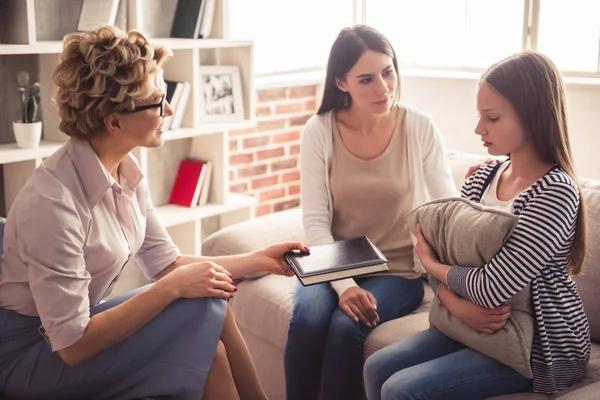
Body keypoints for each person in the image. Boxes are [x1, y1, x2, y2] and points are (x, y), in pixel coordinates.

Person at [0, 26, 308, 400]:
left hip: (71, 329)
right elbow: (73, 344)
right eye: (158, 102)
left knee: (208, 312)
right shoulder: (52, 203)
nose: (170, 110)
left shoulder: (125, 170)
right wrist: (171, 289)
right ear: (115, 122)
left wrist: (257, 259)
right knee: (202, 302)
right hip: (31, 356)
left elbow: (167, 262)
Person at [363, 51, 592, 400]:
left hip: (540, 346)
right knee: (375, 366)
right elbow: (445, 250)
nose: (478, 129)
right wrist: (455, 304)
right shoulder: (483, 177)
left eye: (493, 117)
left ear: (532, 117)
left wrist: (431, 265)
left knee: (400, 389)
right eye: (479, 115)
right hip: (470, 324)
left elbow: (491, 288)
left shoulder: (555, 192)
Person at [284, 24, 458, 400]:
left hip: (396, 268)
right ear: (341, 83)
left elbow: (447, 207)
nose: (383, 87)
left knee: (347, 328)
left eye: (388, 72)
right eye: (366, 79)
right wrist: (344, 285)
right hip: (333, 259)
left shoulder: (419, 127)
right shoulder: (320, 130)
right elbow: (314, 218)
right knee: (308, 319)